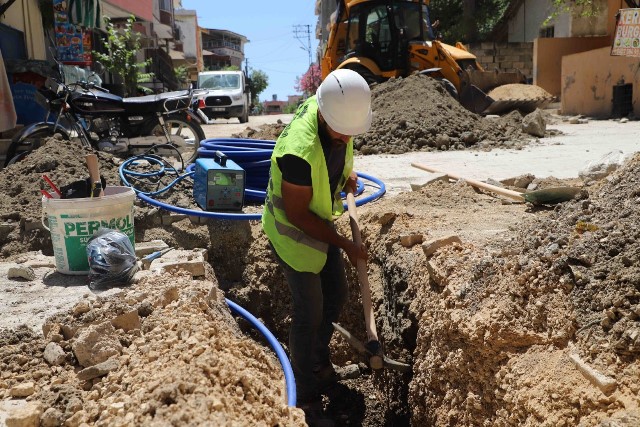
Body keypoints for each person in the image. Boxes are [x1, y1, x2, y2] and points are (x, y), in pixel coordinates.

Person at [261, 69, 372, 426]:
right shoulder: (297, 151)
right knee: (309, 310)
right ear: (323, 114)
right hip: (293, 232)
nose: (345, 137)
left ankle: (318, 362)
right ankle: (305, 393)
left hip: (318, 221)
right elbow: (297, 214)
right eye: (340, 129)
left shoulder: (339, 110)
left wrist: (345, 176)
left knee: (336, 294)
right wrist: (344, 243)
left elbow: (333, 154)